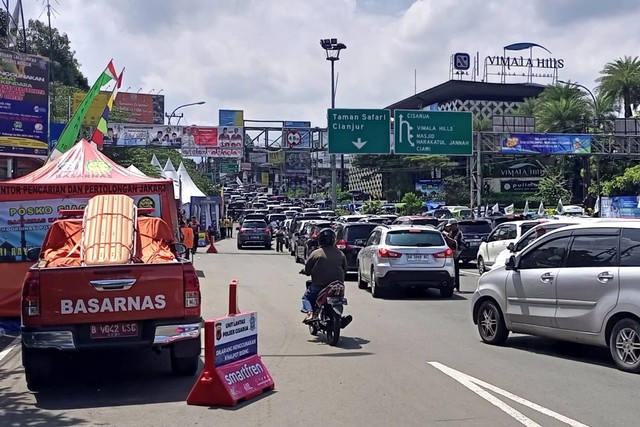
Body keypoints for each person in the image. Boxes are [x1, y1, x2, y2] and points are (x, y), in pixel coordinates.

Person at [300, 228, 349, 325]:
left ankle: (310, 313)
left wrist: (305, 272)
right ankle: (339, 319)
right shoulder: (340, 254)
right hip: (338, 286)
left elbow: (308, 269)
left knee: (306, 297)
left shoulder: (316, 253)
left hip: (319, 286)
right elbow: (345, 269)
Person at [443, 219, 465, 292]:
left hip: (456, 253)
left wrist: (447, 237)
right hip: (450, 253)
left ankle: (457, 286)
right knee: (451, 270)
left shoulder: (458, 233)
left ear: (455, 225)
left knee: (456, 270)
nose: (450, 227)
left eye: (451, 226)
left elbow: (455, 242)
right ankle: (453, 284)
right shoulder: (450, 232)